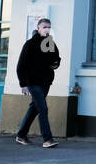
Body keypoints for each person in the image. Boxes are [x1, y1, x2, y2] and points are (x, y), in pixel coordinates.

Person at [14, 18, 61, 148]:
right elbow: (20, 65)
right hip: (32, 82)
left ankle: (21, 135)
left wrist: (55, 64)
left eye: (49, 27)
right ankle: (47, 139)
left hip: (46, 81)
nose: (47, 29)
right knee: (43, 109)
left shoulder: (50, 43)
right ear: (38, 28)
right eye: (44, 27)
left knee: (34, 108)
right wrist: (23, 84)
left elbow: (56, 59)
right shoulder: (29, 44)